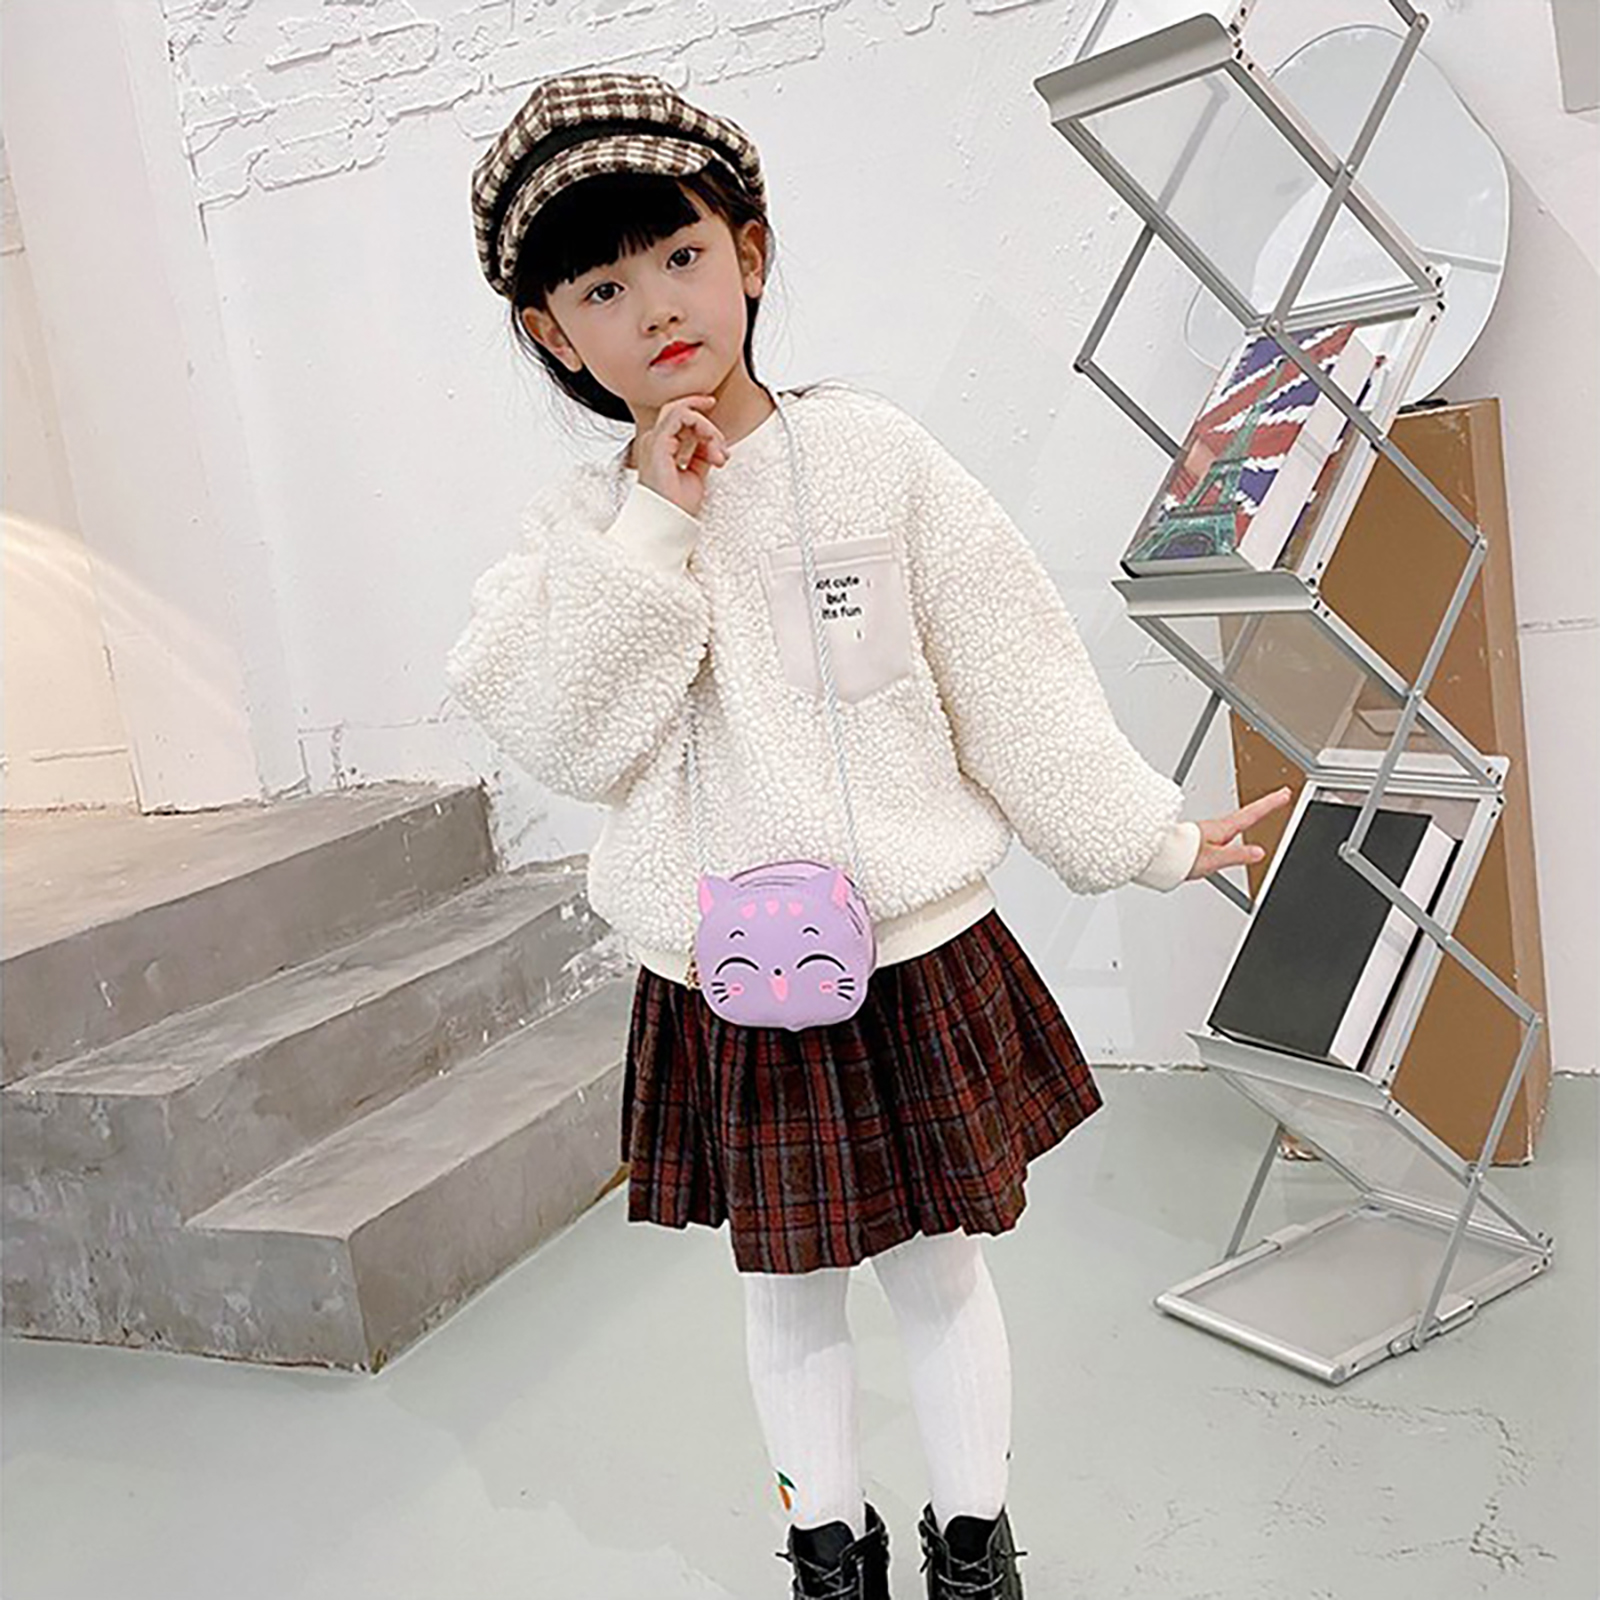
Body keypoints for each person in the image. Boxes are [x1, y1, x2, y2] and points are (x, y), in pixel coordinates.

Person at [446, 68, 1292, 1600]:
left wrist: (1154, 837)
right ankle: (826, 1556)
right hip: (730, 989)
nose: (657, 306)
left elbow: (1009, 672)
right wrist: (657, 522)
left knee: (939, 1270)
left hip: (910, 953)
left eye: (682, 255)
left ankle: (975, 1551)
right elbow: (573, 737)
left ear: (750, 252)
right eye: (603, 287)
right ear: (552, 334)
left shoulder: (876, 461)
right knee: (786, 1293)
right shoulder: (579, 536)